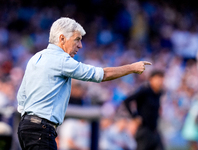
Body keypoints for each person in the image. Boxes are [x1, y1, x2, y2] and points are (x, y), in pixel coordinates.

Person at [17, 17, 151, 150]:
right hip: (41, 129)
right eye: (77, 40)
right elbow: (102, 75)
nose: (80, 45)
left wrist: (31, 121)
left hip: (25, 127)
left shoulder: (36, 57)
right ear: (62, 38)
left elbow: (21, 97)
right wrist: (131, 68)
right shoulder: (61, 59)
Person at [124, 70, 165, 150]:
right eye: (158, 79)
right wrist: (135, 116)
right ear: (151, 79)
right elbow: (127, 101)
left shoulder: (158, 93)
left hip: (154, 130)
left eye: (161, 79)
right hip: (144, 131)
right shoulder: (145, 91)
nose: (160, 82)